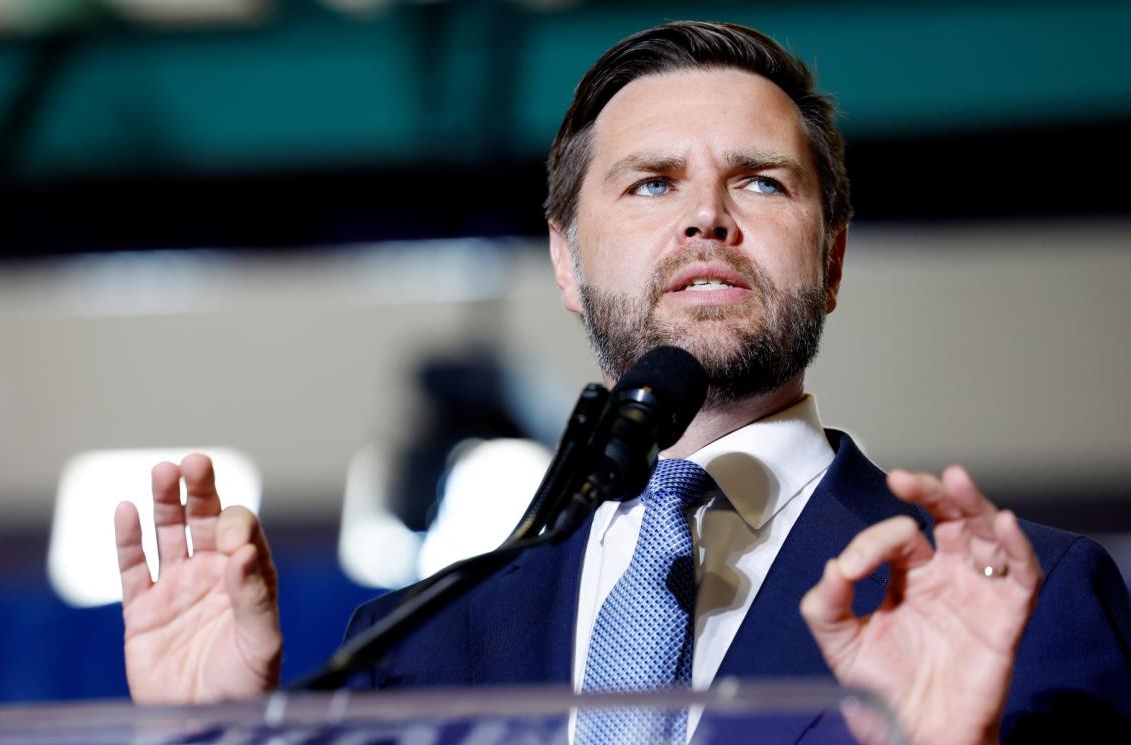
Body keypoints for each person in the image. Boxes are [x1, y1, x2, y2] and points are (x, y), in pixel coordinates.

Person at [113, 20, 1131, 744]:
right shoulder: (412, 644)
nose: (707, 218)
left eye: (761, 181)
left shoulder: (1025, 601)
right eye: (652, 183)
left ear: (830, 259)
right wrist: (205, 737)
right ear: (566, 260)